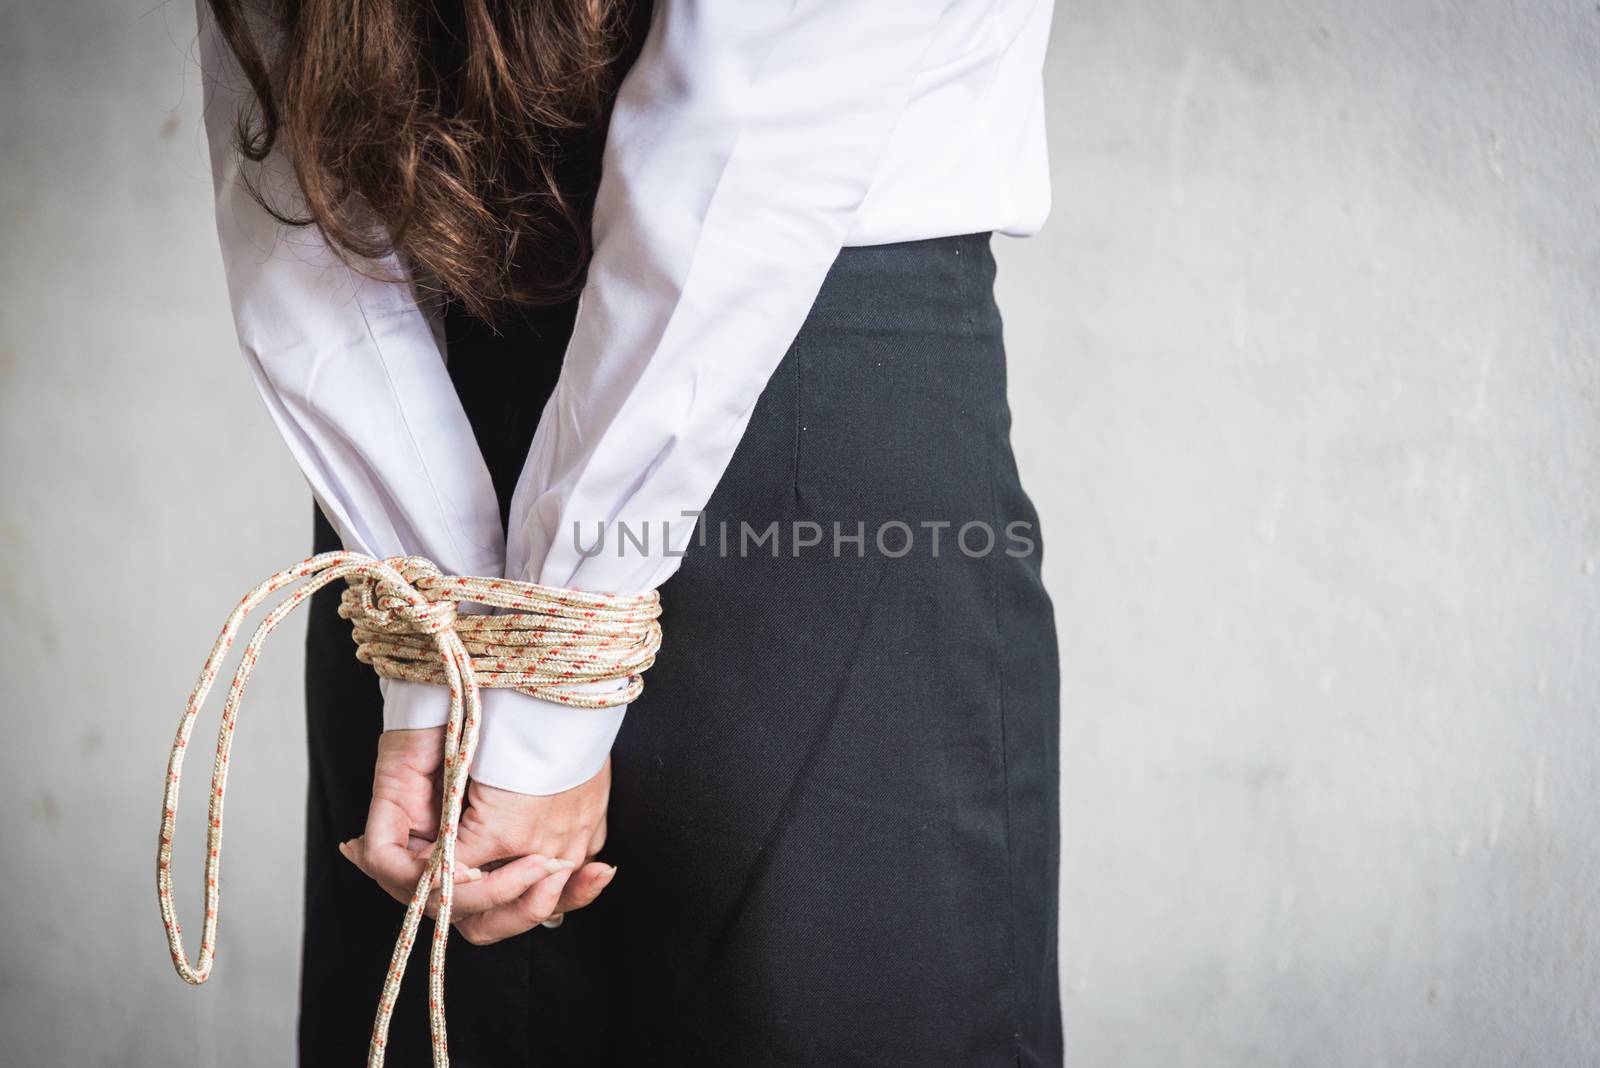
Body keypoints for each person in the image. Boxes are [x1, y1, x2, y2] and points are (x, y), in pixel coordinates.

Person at [195, 0, 1061, 1063]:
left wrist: (481, 650)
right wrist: (466, 653)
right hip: (520, 442)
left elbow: (290, 174)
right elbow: (758, 105)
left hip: (703, 413)